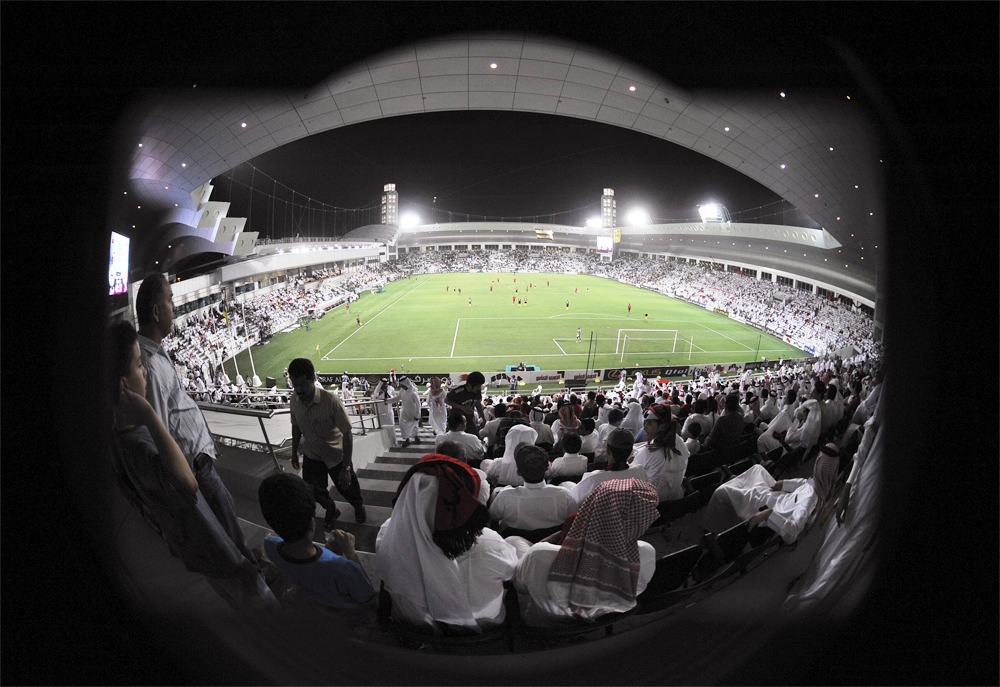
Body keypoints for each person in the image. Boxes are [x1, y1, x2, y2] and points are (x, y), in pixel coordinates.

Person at [107, 320, 275, 609]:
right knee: (255, 599)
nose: (144, 372)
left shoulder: (120, 436)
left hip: (198, 546)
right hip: (208, 544)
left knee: (236, 590)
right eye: (139, 365)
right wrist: (150, 415)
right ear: (124, 385)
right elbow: (187, 483)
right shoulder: (137, 442)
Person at [134, 274, 258, 566]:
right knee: (228, 534)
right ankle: (252, 573)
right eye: (170, 300)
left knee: (228, 521)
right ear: (156, 312)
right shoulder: (150, 366)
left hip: (200, 465)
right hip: (196, 470)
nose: (175, 307)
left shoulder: (155, 352)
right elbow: (160, 432)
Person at [375, 455, 518, 633]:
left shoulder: (388, 533)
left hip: (414, 629)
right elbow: (511, 573)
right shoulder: (490, 542)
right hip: (482, 629)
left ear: (407, 495)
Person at [510, 478, 659, 627]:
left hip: (546, 623)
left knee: (513, 541)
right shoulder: (646, 553)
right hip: (606, 618)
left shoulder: (538, 556)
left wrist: (560, 535)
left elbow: (519, 587)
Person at [257, 473, 374, 615]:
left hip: (311, 595)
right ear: (312, 523)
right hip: (345, 612)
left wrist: (328, 552)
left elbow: (308, 566)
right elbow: (368, 597)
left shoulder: (270, 545)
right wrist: (351, 553)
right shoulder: (344, 569)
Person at [701, 444, 841, 545]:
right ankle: (739, 483)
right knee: (758, 469)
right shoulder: (819, 486)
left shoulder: (809, 499)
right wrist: (781, 483)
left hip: (771, 506)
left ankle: (711, 526)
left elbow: (792, 534)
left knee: (722, 491)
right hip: (779, 497)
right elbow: (801, 484)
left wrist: (769, 514)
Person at [287, 357, 367, 528]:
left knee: (348, 487)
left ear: (313, 379)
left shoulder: (331, 401)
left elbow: (347, 433)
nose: (299, 390)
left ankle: (358, 506)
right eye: (295, 385)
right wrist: (294, 452)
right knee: (314, 490)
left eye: (303, 385)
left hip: (335, 454)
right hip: (312, 454)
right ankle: (331, 509)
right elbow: (296, 426)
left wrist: (346, 467)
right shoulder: (294, 401)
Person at [489, 445, 575, 531]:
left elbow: (493, 517)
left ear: (518, 472)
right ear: (546, 469)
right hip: (556, 539)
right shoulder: (565, 496)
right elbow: (574, 520)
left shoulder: (504, 497)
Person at [630, 404, 690, 501]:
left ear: (662, 427)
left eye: (649, 424)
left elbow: (631, 474)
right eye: (645, 423)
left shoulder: (650, 452)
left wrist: (630, 461)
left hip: (652, 501)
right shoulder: (678, 441)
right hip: (673, 500)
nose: (644, 428)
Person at [480, 423, 538, 488]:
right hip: (529, 491)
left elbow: (488, 476)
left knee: (485, 463)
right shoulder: (539, 466)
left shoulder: (498, 464)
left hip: (501, 490)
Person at [445, 371, 486, 435]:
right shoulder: (458, 392)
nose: (479, 388)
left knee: (476, 439)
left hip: (469, 421)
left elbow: (478, 404)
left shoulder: (477, 392)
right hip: (456, 422)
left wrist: (483, 418)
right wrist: (462, 407)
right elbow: (446, 400)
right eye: (478, 386)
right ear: (470, 385)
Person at [397, 377, 422, 447]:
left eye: (402, 385)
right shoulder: (402, 390)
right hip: (404, 411)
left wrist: (417, 414)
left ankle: (416, 437)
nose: (401, 387)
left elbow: (418, 404)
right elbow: (398, 398)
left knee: (414, 425)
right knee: (402, 425)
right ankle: (407, 439)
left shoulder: (413, 392)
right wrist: (388, 401)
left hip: (413, 412)